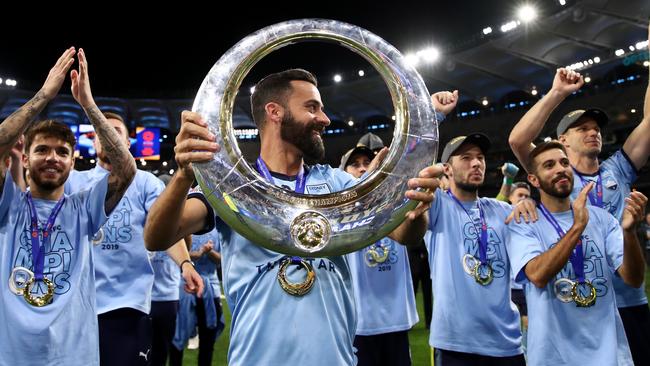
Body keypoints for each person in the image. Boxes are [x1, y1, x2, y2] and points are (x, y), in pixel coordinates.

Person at [143, 68, 439, 365]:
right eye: (312, 107)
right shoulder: (233, 187)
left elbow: (404, 234)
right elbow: (156, 237)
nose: (324, 119)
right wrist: (182, 176)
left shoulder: (336, 184)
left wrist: (415, 213)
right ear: (275, 112)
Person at [508, 45, 650, 363]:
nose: (593, 132)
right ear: (563, 141)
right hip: (576, 301)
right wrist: (557, 92)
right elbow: (518, 141)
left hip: (628, 295)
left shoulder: (619, 168)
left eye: (597, 128)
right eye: (582, 128)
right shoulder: (557, 176)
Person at [0, 47, 136, 365]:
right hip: (12, 354)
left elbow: (126, 168)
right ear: (25, 157)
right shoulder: (8, 204)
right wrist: (45, 95)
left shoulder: (84, 208)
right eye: (42, 149)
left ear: (73, 162)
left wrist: (88, 104)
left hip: (73, 355)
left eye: (62, 152)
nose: (52, 157)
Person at [65, 109, 203, 365]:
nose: (107, 135)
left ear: (127, 144)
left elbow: (165, 231)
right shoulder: (73, 181)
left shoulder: (146, 182)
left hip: (126, 303)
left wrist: (185, 263)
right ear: (94, 140)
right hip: (76, 304)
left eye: (115, 131)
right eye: (101, 131)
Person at [507, 140, 646, 365]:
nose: (560, 169)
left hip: (610, 356)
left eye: (564, 162)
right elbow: (537, 275)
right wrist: (577, 226)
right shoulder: (524, 222)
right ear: (534, 180)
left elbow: (634, 278)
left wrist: (629, 233)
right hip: (554, 357)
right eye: (549, 165)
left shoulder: (602, 219)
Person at [424, 132, 526, 365]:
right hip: (457, 344)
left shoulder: (501, 210)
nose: (477, 163)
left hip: (506, 343)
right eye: (466, 157)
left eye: (480, 157)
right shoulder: (438, 204)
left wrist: (527, 203)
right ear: (447, 169)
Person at [170, 228, 225, 366]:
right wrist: (201, 252)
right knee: (177, 337)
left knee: (208, 338)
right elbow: (179, 255)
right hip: (185, 287)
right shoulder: (184, 226)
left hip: (210, 287)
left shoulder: (216, 229)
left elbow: (221, 259)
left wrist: (209, 251)